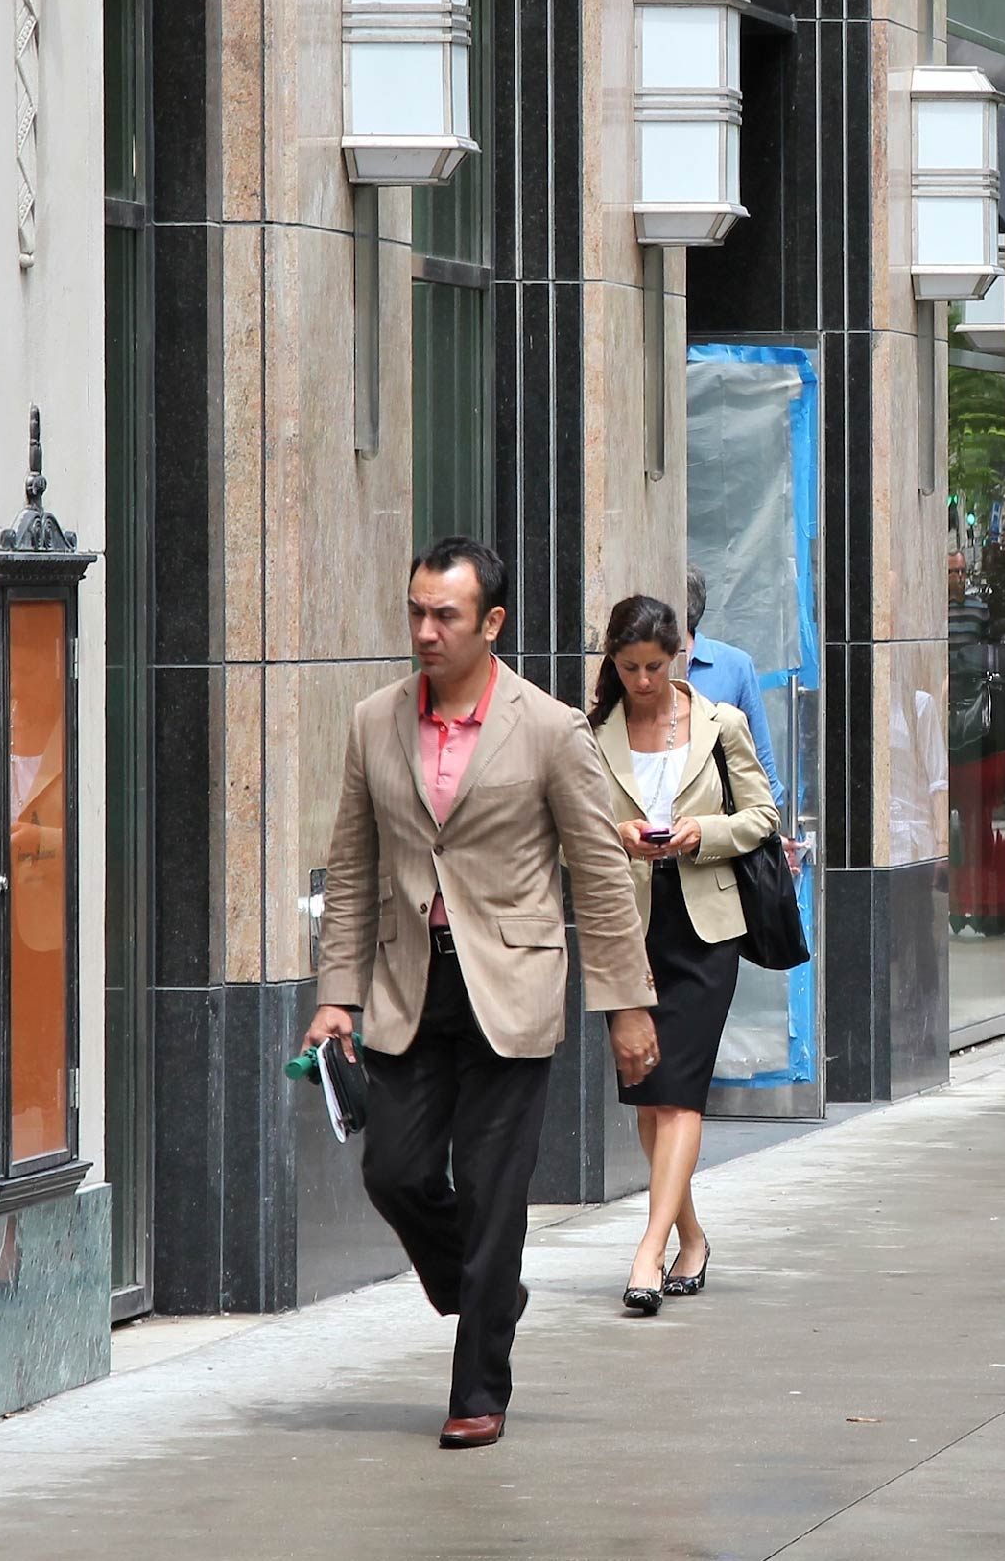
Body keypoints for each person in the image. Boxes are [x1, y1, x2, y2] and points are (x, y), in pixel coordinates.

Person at [308, 538, 658, 1449]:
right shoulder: (372, 721)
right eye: (416, 611)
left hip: (511, 983)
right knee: (395, 1169)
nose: (425, 630)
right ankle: (482, 1286)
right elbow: (352, 867)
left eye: (445, 615)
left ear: (491, 622)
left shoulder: (549, 730)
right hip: (405, 985)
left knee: (496, 1194)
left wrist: (627, 1004)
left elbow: (598, 871)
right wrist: (335, 992)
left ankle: (477, 1390)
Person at [588, 594, 780, 1317]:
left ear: (679, 657)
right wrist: (620, 835)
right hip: (629, 925)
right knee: (647, 1088)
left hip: (706, 923)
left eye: (655, 666)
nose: (642, 679)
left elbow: (762, 816)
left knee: (681, 1089)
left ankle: (648, 1248)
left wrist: (700, 832)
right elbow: (572, 826)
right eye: (629, 666)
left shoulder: (718, 723)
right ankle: (690, 1234)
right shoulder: (591, 733)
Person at [681, 565, 780, 780]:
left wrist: (769, 808)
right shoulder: (639, 667)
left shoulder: (735, 665)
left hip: (722, 808)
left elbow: (760, 756)